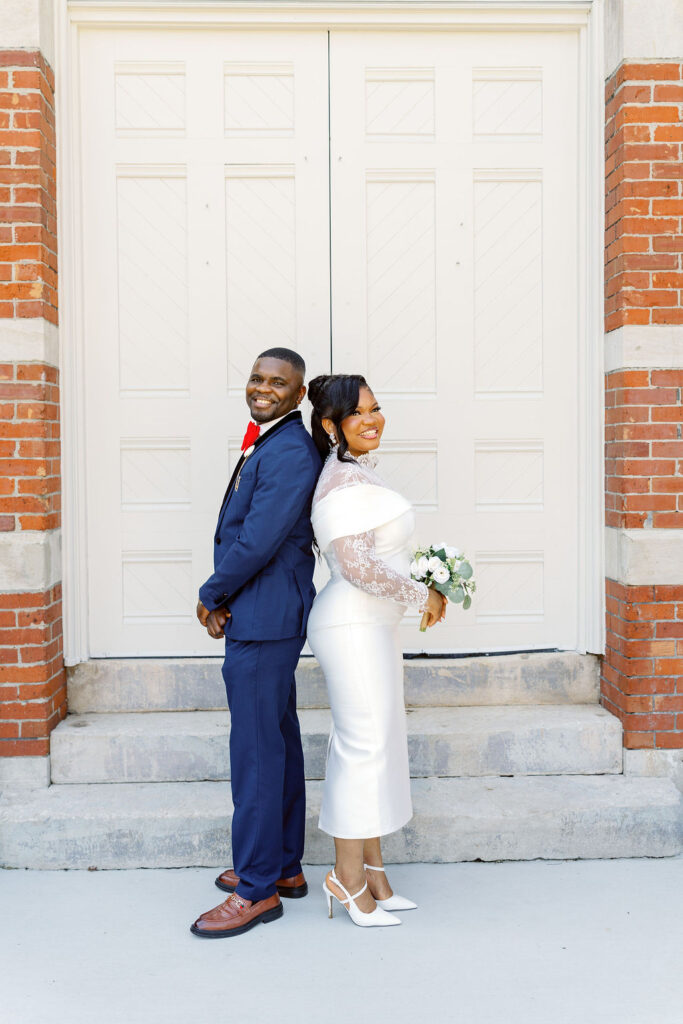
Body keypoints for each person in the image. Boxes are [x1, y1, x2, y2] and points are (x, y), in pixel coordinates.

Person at [190, 347, 321, 939]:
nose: (263, 388)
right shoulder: (270, 440)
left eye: (278, 383)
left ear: (299, 396)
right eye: (256, 377)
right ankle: (283, 867)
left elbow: (259, 539)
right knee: (276, 741)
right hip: (262, 611)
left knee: (256, 754)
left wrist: (213, 591)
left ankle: (256, 888)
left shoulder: (290, 450)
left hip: (265, 616)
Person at [306, 374, 446, 928]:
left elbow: (381, 555)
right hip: (351, 624)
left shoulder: (358, 471)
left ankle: (377, 874)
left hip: (373, 625)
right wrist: (423, 595)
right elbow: (358, 567)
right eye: (358, 413)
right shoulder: (340, 482)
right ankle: (346, 878)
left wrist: (430, 580)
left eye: (377, 408)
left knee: (381, 744)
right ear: (329, 425)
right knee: (362, 748)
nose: (372, 419)